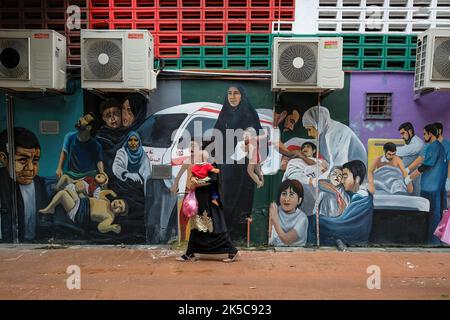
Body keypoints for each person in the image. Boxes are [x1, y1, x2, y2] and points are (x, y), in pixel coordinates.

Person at [213, 84, 264, 243]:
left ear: (242, 95)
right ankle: (225, 235)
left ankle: (241, 236)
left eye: (236, 93)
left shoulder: (249, 113)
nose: (232, 96)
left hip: (244, 168)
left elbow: (258, 134)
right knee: (226, 197)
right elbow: (216, 135)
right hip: (227, 165)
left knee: (243, 199)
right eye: (229, 93)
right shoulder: (224, 113)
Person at [176, 141, 238, 263]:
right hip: (200, 200)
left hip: (210, 202)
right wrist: (193, 180)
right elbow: (193, 177)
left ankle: (232, 251)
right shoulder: (198, 165)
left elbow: (213, 180)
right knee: (196, 227)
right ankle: (190, 253)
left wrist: (197, 182)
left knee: (216, 227)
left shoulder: (211, 164)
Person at [0, 128, 51, 242]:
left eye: (35, 160)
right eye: (22, 160)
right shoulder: (2, 183)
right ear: (4, 159)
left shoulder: (40, 183)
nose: (31, 168)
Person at [309, 160, 374, 246]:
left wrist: (316, 220)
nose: (342, 181)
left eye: (345, 177)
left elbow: (342, 224)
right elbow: (324, 184)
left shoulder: (362, 200)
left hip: (356, 242)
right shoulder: (350, 194)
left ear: (357, 179)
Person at [405, 124, 446, 245]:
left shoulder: (434, 147)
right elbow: (421, 159)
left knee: (431, 215)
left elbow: (425, 165)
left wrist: (409, 178)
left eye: (424, 134)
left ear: (430, 134)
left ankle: (431, 242)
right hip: (434, 186)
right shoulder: (437, 147)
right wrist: (408, 169)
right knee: (434, 214)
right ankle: (433, 241)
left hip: (431, 187)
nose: (423, 136)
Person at [302, 105, 367, 172]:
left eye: (309, 129)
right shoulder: (324, 133)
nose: (309, 134)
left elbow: (339, 165)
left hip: (356, 172)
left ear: (318, 123)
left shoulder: (335, 132)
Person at [39, 188, 128, 234]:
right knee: (68, 189)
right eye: (119, 202)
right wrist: (110, 191)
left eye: (120, 209)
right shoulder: (107, 201)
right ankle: (53, 207)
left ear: (118, 213)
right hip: (81, 202)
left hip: (79, 212)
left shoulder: (110, 217)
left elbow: (101, 228)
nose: (118, 205)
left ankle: (50, 209)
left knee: (63, 194)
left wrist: (111, 228)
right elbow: (101, 193)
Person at [55, 113, 105, 180]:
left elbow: (99, 161)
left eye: (85, 119)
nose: (80, 119)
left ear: (88, 128)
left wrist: (102, 173)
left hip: (90, 176)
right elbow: (64, 152)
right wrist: (59, 168)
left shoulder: (97, 145)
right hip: (72, 175)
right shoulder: (69, 137)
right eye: (83, 117)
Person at [269, 179, 308, 247]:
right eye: (284, 194)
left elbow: (286, 240)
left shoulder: (302, 218)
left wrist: (274, 220)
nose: (287, 199)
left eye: (291, 195)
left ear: (299, 200)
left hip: (296, 253)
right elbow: (269, 237)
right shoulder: (275, 210)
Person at [397, 122, 425, 196]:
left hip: (415, 178)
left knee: (415, 196)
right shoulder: (410, 142)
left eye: (403, 133)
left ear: (410, 131)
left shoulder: (417, 143)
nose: (401, 136)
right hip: (409, 177)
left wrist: (390, 150)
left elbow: (404, 150)